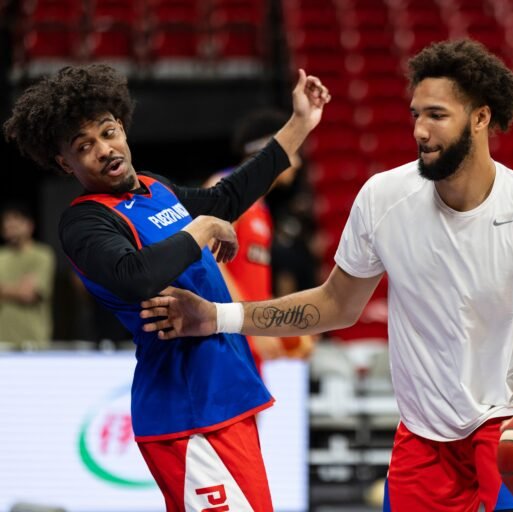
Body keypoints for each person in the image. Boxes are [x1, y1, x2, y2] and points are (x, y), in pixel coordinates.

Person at [140, 40, 513, 512]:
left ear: (480, 118)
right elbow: (336, 304)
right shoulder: (384, 199)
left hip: (510, 424)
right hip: (424, 433)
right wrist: (215, 317)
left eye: (437, 115)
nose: (419, 130)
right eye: (415, 114)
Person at [3, 63, 329, 511]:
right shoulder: (85, 220)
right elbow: (136, 275)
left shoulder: (156, 189)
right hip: (187, 407)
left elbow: (228, 198)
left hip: (226, 392)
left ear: (123, 127)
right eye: (84, 146)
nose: (104, 149)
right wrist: (202, 229)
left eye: (108, 131)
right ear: (65, 162)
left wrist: (299, 124)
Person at [203, 109, 314, 365]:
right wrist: (253, 325)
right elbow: (207, 260)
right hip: (225, 342)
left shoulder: (261, 208)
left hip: (245, 340)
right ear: (270, 148)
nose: (298, 162)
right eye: (294, 149)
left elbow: (252, 285)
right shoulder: (225, 186)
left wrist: (283, 326)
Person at [0, 202, 55, 349]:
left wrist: (4, 289)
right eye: (6, 221)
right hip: (3, 341)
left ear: (30, 225)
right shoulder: (1, 256)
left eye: (16, 219)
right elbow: (22, 291)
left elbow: (28, 294)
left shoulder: (42, 255)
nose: (10, 225)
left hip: (33, 340)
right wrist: (17, 288)